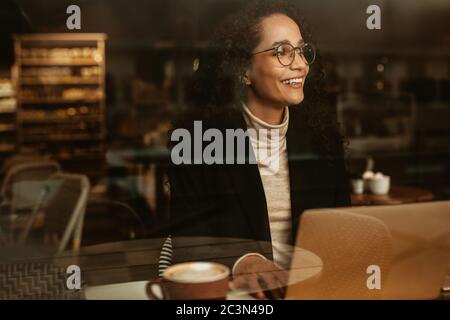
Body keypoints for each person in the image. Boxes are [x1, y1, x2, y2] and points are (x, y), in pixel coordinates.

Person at [167, 0, 351, 299]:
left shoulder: (322, 141)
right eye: (282, 51)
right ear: (243, 70)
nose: (301, 64)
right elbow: (188, 241)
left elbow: (342, 229)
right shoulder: (197, 141)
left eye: (302, 50)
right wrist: (243, 261)